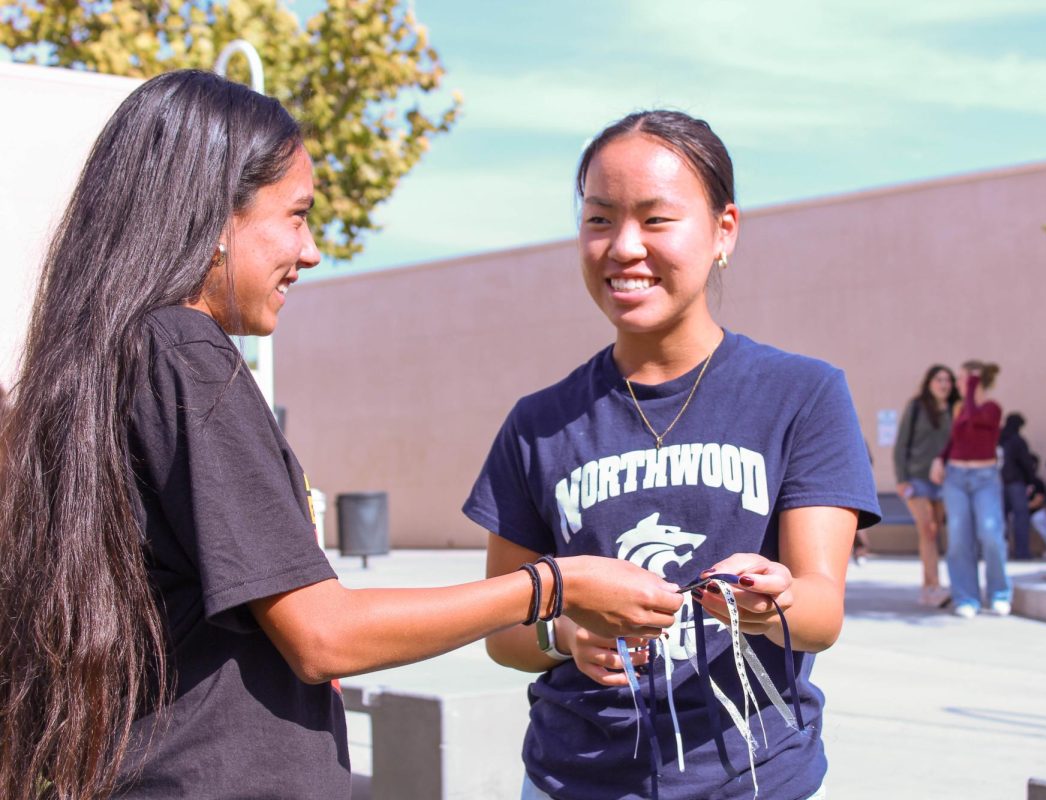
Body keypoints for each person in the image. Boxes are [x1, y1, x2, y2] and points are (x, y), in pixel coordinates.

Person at [0, 71, 682, 800]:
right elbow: (322, 635)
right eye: (296, 215)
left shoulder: (103, 360)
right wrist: (557, 583)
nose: (313, 250)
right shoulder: (184, 353)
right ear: (211, 215)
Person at [464, 110, 880, 800]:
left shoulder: (803, 395)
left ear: (724, 231)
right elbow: (504, 627)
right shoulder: (536, 424)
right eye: (599, 219)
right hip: (573, 782)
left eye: (656, 220)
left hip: (755, 783)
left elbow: (820, 614)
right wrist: (565, 634)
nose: (625, 246)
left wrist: (768, 600)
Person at [930, 361, 1011, 618]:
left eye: (963, 378)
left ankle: (999, 593)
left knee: (990, 533)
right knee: (958, 538)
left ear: (977, 380)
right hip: (956, 477)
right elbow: (955, 439)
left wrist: (974, 385)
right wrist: (940, 459)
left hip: (985, 477)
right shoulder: (959, 408)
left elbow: (979, 422)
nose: (958, 383)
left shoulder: (991, 408)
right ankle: (965, 597)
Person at [893, 364, 960, 606]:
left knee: (937, 532)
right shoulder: (917, 406)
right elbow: (901, 444)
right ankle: (931, 587)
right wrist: (901, 479)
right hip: (917, 478)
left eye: (948, 380)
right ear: (929, 383)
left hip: (946, 479)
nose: (944, 384)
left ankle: (932, 585)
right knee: (928, 530)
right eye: (938, 379)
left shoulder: (955, 409)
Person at [999, 413, 1037, 560]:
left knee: (1000, 519)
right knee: (1021, 518)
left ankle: (1001, 551)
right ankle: (1022, 552)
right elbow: (1026, 462)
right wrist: (1031, 480)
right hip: (1016, 483)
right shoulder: (1017, 440)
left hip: (998, 483)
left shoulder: (999, 439)